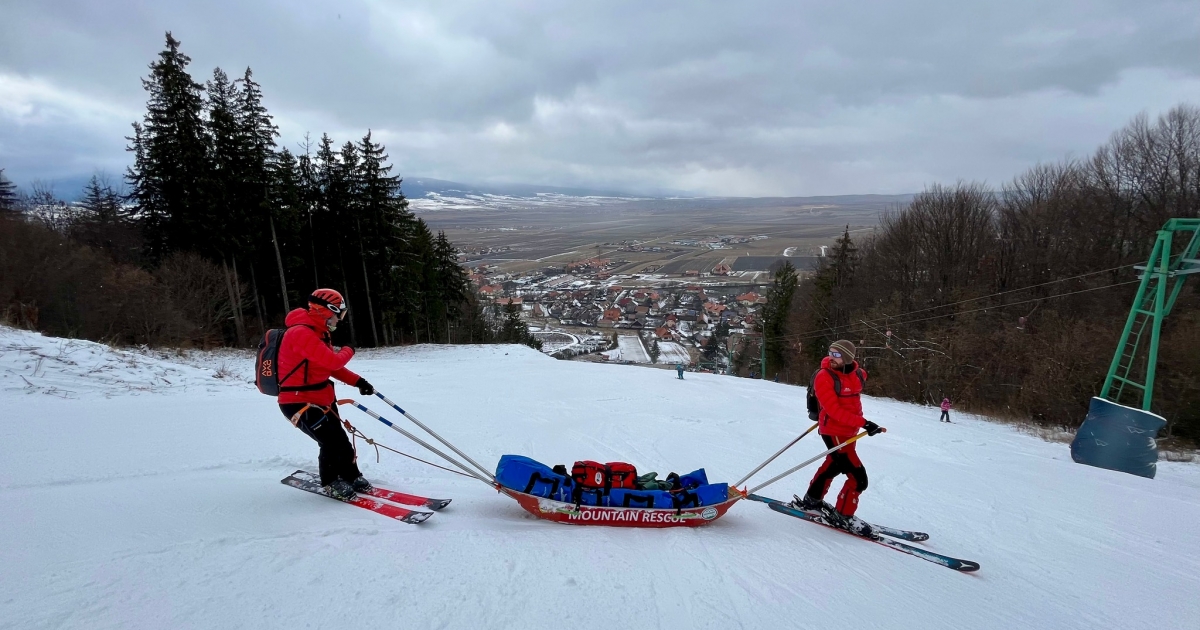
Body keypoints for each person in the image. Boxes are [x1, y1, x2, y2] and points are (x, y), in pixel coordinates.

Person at [276, 289, 376, 500]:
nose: (340, 319)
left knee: (341, 440)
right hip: (297, 401)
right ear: (326, 310)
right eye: (339, 313)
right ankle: (330, 482)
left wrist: (359, 382)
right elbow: (333, 361)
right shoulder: (300, 333)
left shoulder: (319, 332)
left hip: (322, 398)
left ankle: (350, 475)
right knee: (331, 441)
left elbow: (329, 367)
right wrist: (349, 349)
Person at [791, 340, 885, 537]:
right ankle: (843, 515)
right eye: (830, 353)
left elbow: (854, 395)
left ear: (848, 358)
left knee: (834, 465)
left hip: (849, 431)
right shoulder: (824, 377)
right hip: (833, 430)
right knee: (858, 479)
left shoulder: (858, 374)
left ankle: (812, 499)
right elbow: (833, 410)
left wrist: (860, 423)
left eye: (837, 355)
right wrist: (865, 423)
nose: (831, 358)